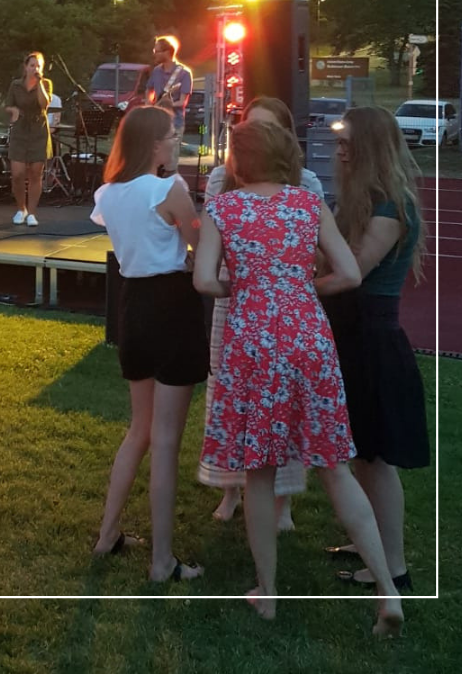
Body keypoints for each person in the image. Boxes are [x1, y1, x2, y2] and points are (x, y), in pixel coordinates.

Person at [194, 120, 404, 633]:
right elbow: (349, 274)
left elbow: (203, 280)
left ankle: (268, 593)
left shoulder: (223, 208)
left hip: (253, 343)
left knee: (259, 472)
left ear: (238, 161)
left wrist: (245, 287)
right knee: (335, 465)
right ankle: (388, 590)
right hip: (308, 336)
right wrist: (303, 286)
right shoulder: (308, 205)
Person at [89, 105, 208, 582]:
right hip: (172, 305)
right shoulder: (168, 188)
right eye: (173, 136)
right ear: (155, 144)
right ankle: (162, 561)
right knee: (165, 440)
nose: (177, 144)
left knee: (139, 429)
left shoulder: (108, 193)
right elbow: (200, 240)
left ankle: (107, 535)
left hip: (132, 305)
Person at [197, 96, 324, 531]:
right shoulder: (223, 179)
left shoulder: (306, 184)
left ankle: (282, 499)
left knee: (285, 402)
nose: (253, 138)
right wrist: (240, 284)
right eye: (248, 128)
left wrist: (288, 282)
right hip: (236, 305)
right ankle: (232, 489)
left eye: (265, 129)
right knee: (232, 396)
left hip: (285, 311)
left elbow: (321, 255)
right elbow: (210, 258)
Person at [321, 106, 429, 594]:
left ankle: (394, 568)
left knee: (376, 458)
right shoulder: (367, 201)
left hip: (372, 339)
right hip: (354, 334)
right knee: (362, 452)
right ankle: (373, 544)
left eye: (348, 144)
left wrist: (296, 283)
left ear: (371, 148)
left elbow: (353, 272)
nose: (339, 151)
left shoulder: (390, 207)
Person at [4, 51, 53, 227]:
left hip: (38, 131)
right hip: (20, 131)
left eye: (38, 66)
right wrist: (14, 111)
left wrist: (39, 83)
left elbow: (44, 104)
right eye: (32, 65)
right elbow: (7, 105)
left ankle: (32, 213)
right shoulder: (16, 85)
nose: (35, 68)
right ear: (25, 67)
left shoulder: (46, 84)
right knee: (17, 174)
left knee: (35, 173)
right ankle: (21, 208)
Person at [145, 36, 192, 172]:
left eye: (157, 51)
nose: (154, 54)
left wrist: (167, 104)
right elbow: (149, 89)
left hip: (174, 124)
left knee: (170, 165)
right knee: (152, 163)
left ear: (167, 52)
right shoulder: (156, 71)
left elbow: (182, 102)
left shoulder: (184, 73)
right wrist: (149, 103)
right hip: (156, 123)